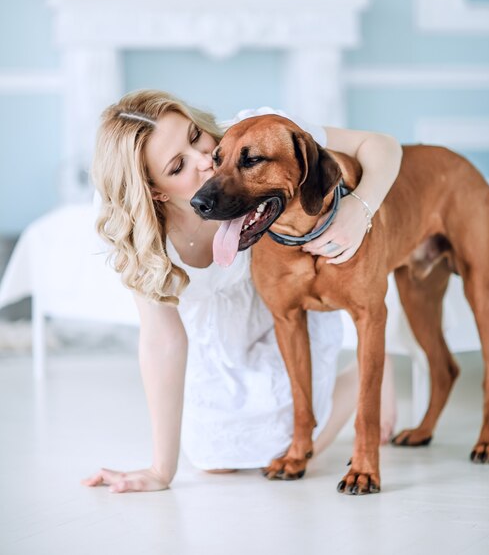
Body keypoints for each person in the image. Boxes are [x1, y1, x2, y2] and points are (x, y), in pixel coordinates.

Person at [82, 90, 402, 494]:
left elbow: (383, 146)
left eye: (196, 136)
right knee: (216, 463)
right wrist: (161, 470)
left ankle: (373, 371)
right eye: (178, 165)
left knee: (293, 449)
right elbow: (162, 338)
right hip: (217, 346)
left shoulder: (260, 133)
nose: (204, 160)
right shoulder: (138, 228)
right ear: (156, 190)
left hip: (281, 309)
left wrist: (361, 207)